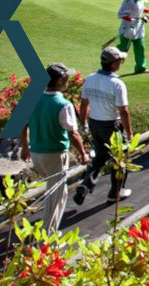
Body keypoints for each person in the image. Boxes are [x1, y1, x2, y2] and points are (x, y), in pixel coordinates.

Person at [19, 62, 88, 234]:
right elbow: (73, 134)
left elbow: (22, 126)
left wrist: (25, 147)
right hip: (54, 155)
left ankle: (48, 231)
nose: (68, 81)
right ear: (59, 80)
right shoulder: (63, 104)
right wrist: (83, 153)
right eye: (66, 78)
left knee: (55, 191)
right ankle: (47, 237)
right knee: (57, 196)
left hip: (36, 154)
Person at [74, 46, 133, 204]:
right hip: (111, 125)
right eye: (119, 61)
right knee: (119, 158)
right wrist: (130, 133)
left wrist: (83, 123)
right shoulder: (117, 84)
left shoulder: (90, 79)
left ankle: (86, 184)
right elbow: (123, 111)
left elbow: (84, 103)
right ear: (113, 64)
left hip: (95, 123)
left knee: (100, 157)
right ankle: (115, 192)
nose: (121, 63)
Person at [117, 0, 149, 74]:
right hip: (127, 28)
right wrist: (131, 20)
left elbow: (140, 9)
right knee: (122, 49)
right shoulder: (127, 1)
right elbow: (120, 14)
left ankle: (141, 67)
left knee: (140, 47)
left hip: (138, 28)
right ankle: (109, 66)